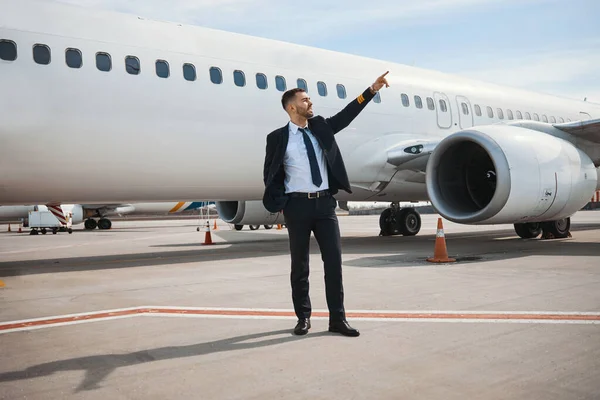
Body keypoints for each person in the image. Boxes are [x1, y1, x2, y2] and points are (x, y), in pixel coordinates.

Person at [262, 72, 390, 336]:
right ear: (291, 107)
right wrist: (282, 201)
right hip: (297, 207)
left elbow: (346, 115)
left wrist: (371, 90)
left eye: (309, 99)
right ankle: (303, 318)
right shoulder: (277, 138)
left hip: (325, 207)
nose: (311, 103)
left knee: (334, 264)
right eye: (305, 100)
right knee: (300, 267)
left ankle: (337, 320)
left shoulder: (320, 126)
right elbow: (270, 173)